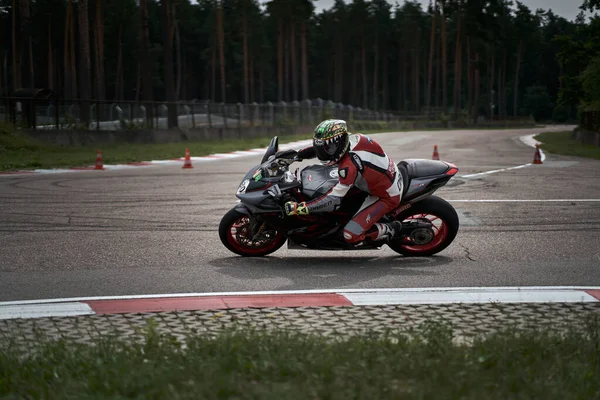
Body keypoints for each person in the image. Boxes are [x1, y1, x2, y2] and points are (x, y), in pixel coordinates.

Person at [284, 119, 403, 245]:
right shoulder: (352, 139)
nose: (324, 153)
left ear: (340, 142)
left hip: (385, 195)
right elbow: (319, 149)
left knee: (350, 235)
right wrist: (295, 157)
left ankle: (391, 228)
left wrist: (301, 208)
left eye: (329, 148)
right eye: (323, 148)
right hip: (380, 177)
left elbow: (332, 200)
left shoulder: (348, 166)